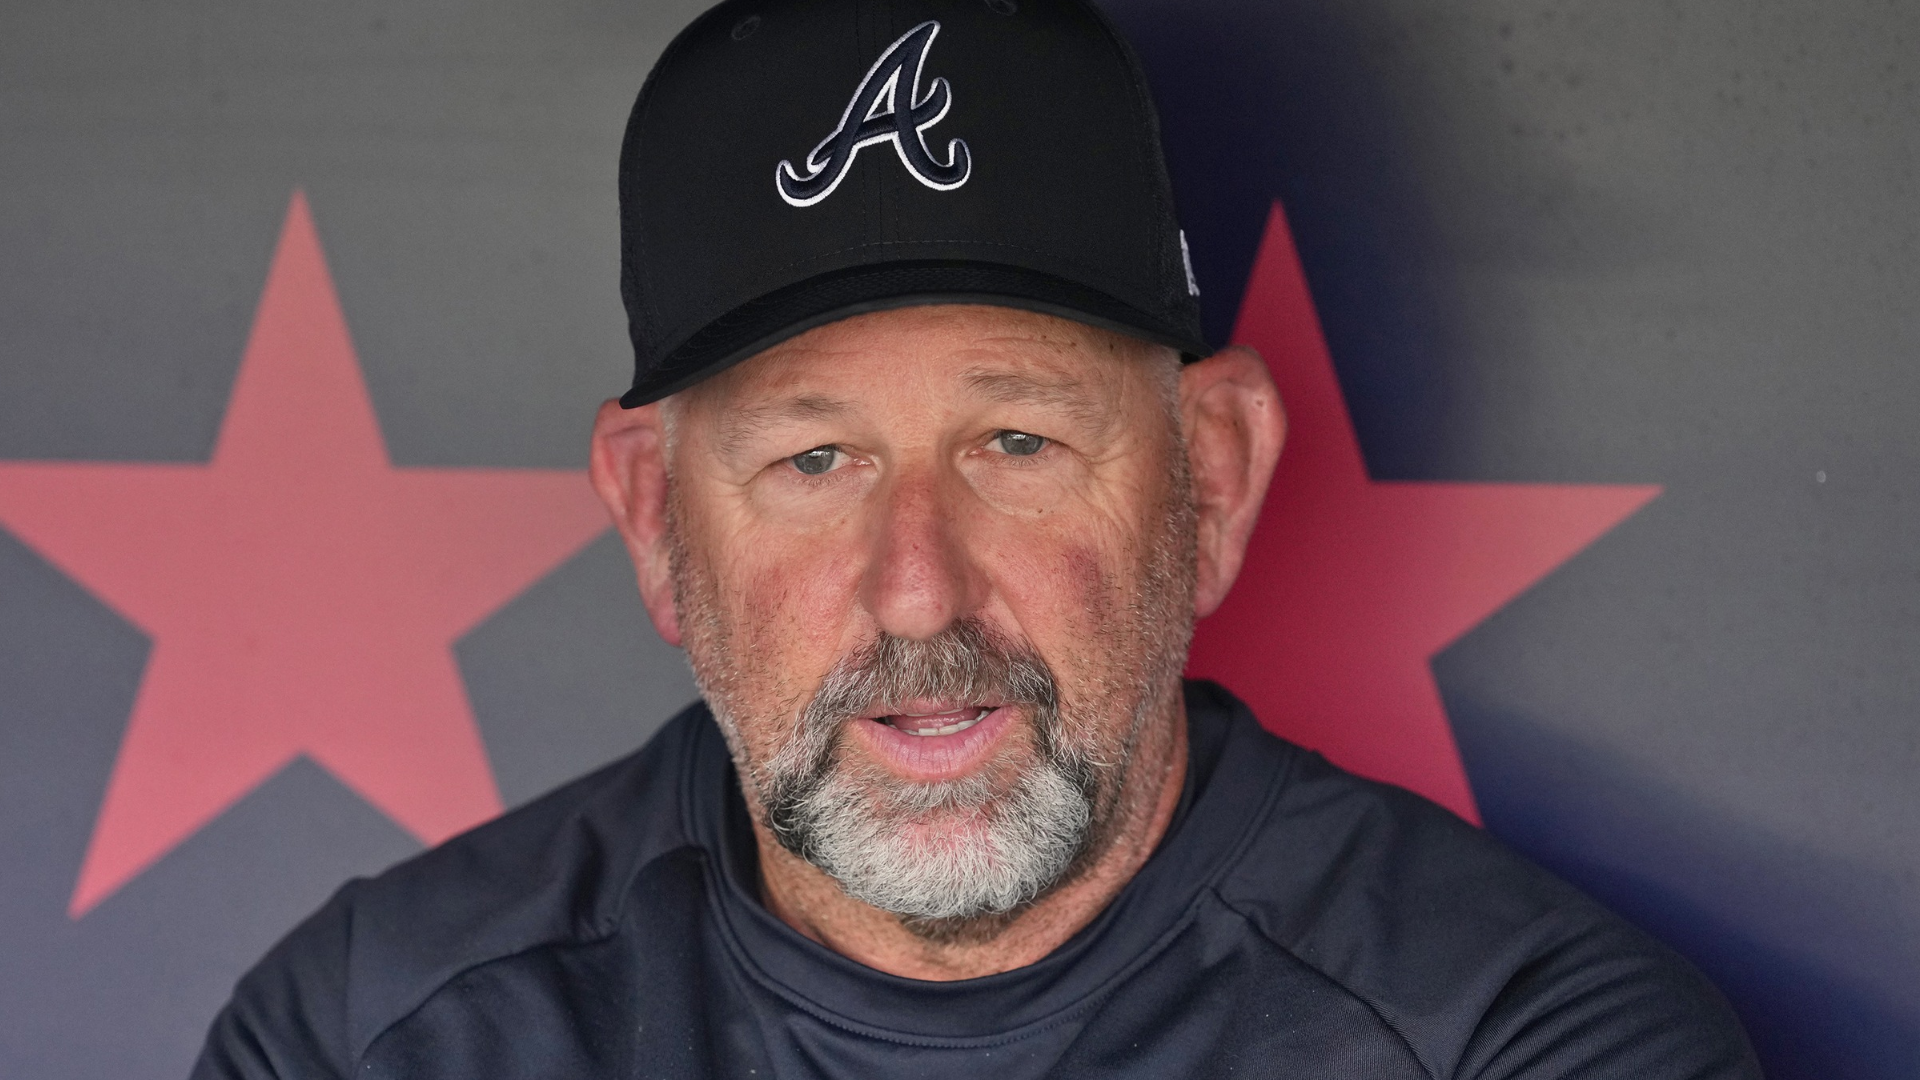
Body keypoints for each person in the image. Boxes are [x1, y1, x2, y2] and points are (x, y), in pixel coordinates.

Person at [192, 0, 1760, 1076]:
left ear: (1208, 479)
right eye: (815, 459)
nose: (916, 585)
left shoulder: (1520, 1040)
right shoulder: (374, 1034)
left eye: (1016, 444)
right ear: (658, 520)